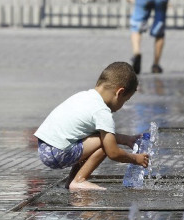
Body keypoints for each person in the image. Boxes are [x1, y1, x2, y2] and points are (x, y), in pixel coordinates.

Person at [34, 62, 148, 191]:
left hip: (44, 148)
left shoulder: (84, 96)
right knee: (106, 144)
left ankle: (73, 180)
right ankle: (79, 180)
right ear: (119, 92)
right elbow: (113, 153)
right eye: (125, 100)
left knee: (99, 137)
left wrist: (127, 139)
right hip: (59, 153)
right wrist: (135, 159)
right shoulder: (102, 112)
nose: (122, 105)